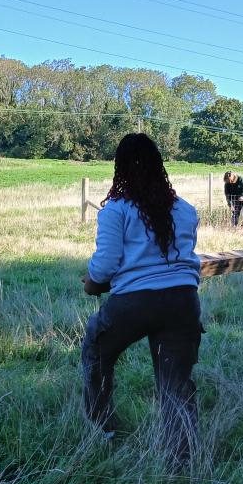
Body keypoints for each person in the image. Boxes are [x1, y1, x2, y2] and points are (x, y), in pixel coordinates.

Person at [80, 132, 202, 465]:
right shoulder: (186, 210)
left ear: (120, 168)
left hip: (133, 303)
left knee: (96, 350)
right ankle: (183, 463)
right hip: (184, 302)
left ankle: (103, 429)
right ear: (159, 165)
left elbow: (104, 266)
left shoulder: (116, 210)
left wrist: (92, 282)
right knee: (176, 385)